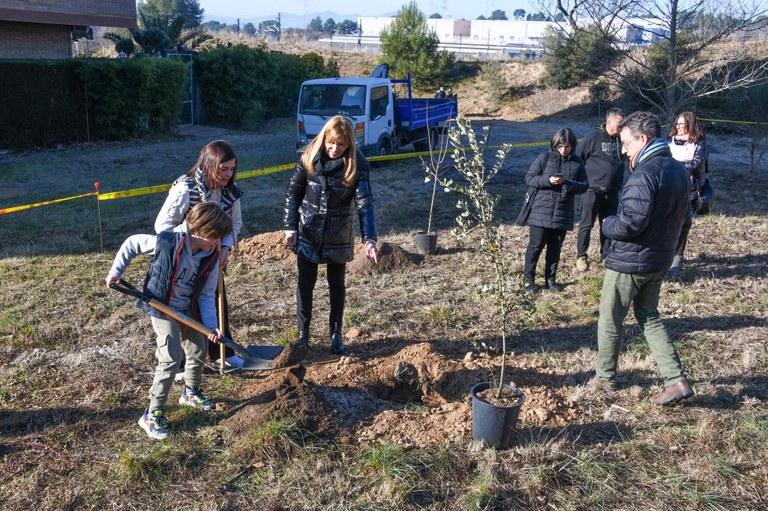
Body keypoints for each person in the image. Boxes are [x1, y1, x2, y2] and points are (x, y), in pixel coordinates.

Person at [587, 111, 694, 405]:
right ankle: (675, 380)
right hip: (659, 259)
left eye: (626, 143)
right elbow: (685, 219)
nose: (623, 149)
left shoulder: (643, 175)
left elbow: (630, 224)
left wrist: (607, 224)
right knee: (648, 316)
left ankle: (604, 378)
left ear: (643, 139)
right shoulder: (678, 170)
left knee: (610, 319)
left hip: (629, 263)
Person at [105, 202, 232, 439]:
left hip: (190, 308)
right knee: (171, 358)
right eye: (213, 238)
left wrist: (211, 325)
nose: (216, 243)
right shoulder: (167, 242)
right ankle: (152, 414)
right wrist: (116, 272)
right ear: (199, 231)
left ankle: (191, 392)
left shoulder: (211, 255)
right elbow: (132, 243)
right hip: (163, 308)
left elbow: (206, 294)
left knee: (198, 349)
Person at [283, 115, 379, 354]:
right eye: (331, 142)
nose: (335, 149)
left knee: (337, 285)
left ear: (349, 144)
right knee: (305, 284)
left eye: (342, 144)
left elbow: (365, 204)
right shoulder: (307, 158)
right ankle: (303, 335)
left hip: (338, 234)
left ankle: (335, 334)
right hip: (308, 231)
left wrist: (370, 239)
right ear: (324, 138)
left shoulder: (357, 166)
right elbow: (293, 194)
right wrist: (290, 227)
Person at [155, 140, 244, 370]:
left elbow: (234, 223)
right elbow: (163, 226)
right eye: (223, 169)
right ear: (209, 165)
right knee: (183, 308)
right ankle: (181, 362)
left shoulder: (229, 192)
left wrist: (224, 247)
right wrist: (190, 243)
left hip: (212, 258)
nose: (228, 174)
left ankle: (221, 351)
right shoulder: (186, 188)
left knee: (215, 301)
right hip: (182, 262)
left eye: (232, 169)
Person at [522, 128, 588, 292]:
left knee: (555, 249)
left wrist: (568, 183)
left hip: (563, 213)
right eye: (560, 147)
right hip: (541, 211)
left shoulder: (578, 162)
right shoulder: (544, 158)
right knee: (535, 246)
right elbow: (530, 178)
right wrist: (548, 180)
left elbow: (585, 185)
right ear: (554, 145)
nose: (563, 150)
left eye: (567, 147)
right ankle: (528, 280)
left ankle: (550, 280)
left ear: (572, 145)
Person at [575, 107, 626, 271]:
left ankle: (606, 255)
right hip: (592, 190)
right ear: (609, 121)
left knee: (609, 225)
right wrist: (582, 182)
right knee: (586, 225)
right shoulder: (593, 137)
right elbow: (577, 159)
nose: (622, 126)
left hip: (612, 191)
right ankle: (581, 256)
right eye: (619, 123)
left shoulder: (621, 140)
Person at [667, 111, 712, 273]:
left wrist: (673, 164)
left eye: (682, 124)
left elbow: (696, 164)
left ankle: (677, 258)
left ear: (690, 125)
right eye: (677, 124)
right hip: (667, 187)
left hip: (688, 189)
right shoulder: (669, 140)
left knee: (683, 224)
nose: (678, 127)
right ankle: (665, 254)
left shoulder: (699, 143)